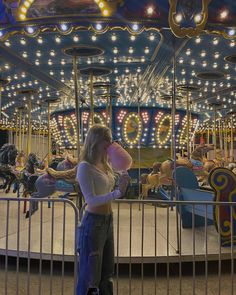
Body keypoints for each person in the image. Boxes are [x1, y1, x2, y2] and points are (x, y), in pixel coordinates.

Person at [76, 124, 131, 295]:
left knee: (107, 271)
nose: (110, 143)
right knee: (90, 274)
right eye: (106, 139)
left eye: (110, 139)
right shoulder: (85, 166)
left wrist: (122, 179)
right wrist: (117, 193)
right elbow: (90, 199)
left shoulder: (105, 165)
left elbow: (108, 189)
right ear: (96, 141)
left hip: (108, 220)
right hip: (93, 222)